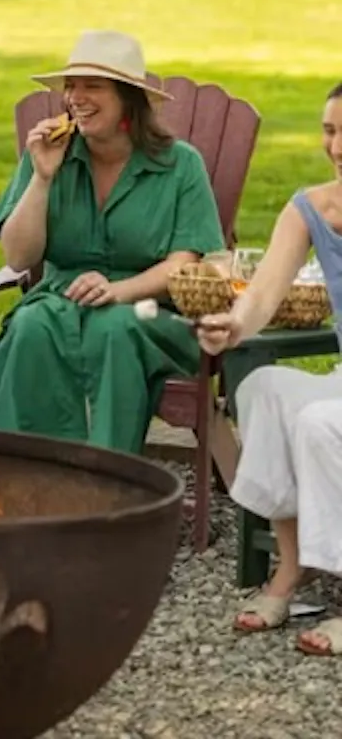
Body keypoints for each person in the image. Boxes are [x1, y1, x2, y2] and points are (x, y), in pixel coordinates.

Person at [0, 30, 225, 453]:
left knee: (114, 328)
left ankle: (108, 483)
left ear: (128, 98)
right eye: (71, 86)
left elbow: (184, 263)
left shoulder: (180, 165)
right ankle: (29, 477)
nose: (76, 98)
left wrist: (118, 290)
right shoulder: (51, 155)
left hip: (149, 308)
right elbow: (18, 255)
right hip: (60, 298)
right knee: (31, 325)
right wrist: (43, 178)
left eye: (93, 86)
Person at [197, 81, 342, 655]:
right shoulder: (312, 207)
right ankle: (292, 565)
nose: (337, 147)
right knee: (262, 388)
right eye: (330, 131)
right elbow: (260, 297)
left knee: (319, 423)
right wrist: (233, 325)